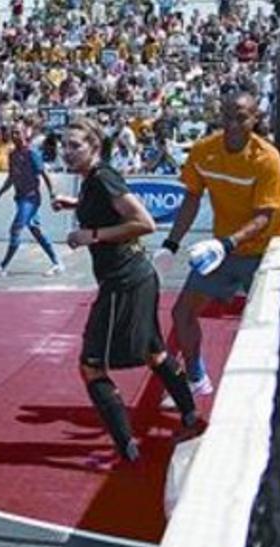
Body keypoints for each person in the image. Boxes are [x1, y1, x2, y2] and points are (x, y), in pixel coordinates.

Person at [51, 118, 204, 462]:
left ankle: (125, 448)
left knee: (91, 365)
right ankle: (191, 415)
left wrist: (91, 236)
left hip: (124, 282)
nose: (68, 151)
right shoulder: (93, 180)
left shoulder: (103, 177)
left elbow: (144, 222)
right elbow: (111, 211)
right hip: (135, 276)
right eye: (65, 144)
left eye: (76, 145)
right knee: (156, 355)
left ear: (94, 146)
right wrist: (75, 205)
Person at [156, 92, 280, 402]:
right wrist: (170, 245)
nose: (231, 123)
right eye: (226, 115)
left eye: (240, 117)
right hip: (223, 251)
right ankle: (196, 378)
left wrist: (225, 244)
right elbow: (191, 198)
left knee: (275, 327)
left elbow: (264, 217)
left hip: (266, 252)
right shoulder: (204, 151)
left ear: (255, 119)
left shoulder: (268, 159)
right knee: (182, 313)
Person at [0, 122, 65, 277]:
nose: (15, 136)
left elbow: (44, 174)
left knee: (16, 228)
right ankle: (57, 263)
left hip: (31, 199)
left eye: (17, 132)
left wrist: (52, 194)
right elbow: (12, 177)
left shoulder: (32, 153)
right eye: (13, 133)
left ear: (24, 134)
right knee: (36, 230)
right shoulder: (13, 154)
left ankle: (2, 267)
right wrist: (0, 193)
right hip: (20, 198)